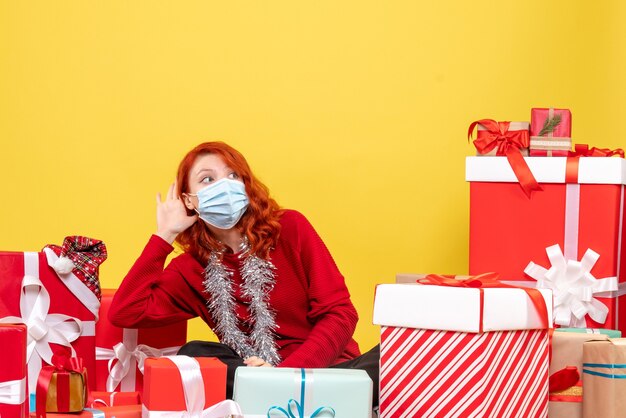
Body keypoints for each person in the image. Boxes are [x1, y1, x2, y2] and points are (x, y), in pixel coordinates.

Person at [108, 141, 379, 404]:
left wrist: (285, 377)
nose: (224, 185)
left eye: (233, 175)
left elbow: (341, 314)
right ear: (189, 201)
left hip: (325, 374)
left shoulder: (290, 228)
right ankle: (268, 396)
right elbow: (126, 311)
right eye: (207, 179)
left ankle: (274, 397)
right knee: (192, 355)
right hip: (252, 375)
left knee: (393, 357)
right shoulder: (191, 268)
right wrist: (165, 234)